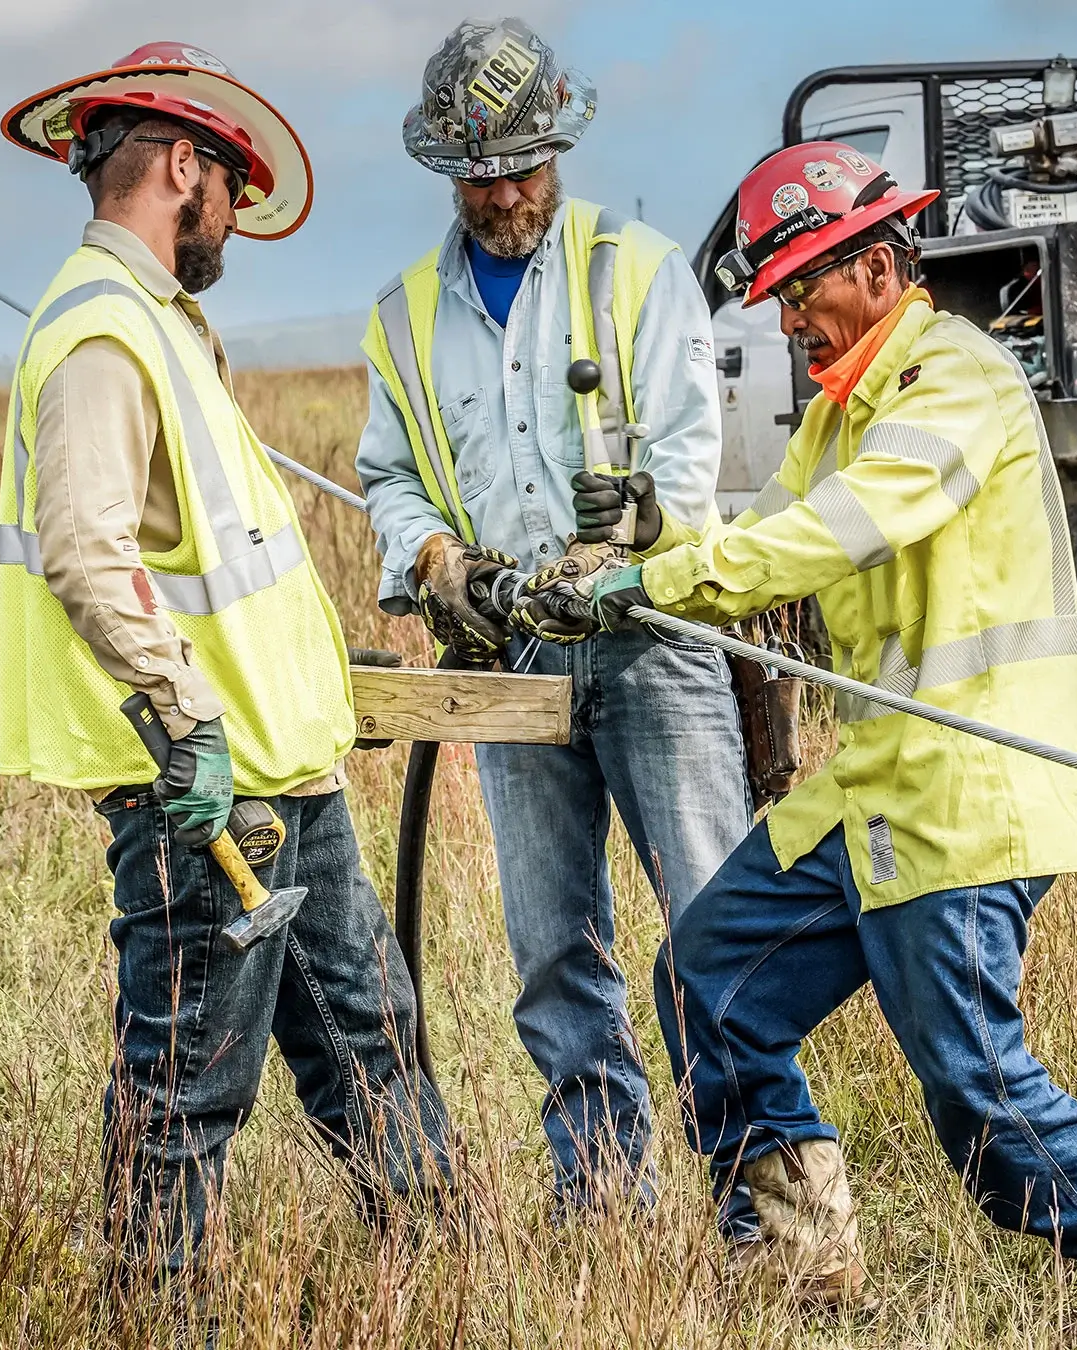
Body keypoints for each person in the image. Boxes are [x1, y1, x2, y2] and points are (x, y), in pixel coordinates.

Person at [521, 143, 1077, 1322]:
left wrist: (649, 584)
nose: (789, 321)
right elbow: (758, 546)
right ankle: (800, 1257)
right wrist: (651, 545)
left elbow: (840, 532)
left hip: (967, 799)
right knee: (706, 983)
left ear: (878, 271)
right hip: (875, 796)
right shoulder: (839, 421)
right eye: (779, 299)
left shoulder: (959, 383)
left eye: (804, 291)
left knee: (976, 1094)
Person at [0, 43, 453, 1287]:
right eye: (231, 189)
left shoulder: (160, 327)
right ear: (180, 165)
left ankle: (452, 1279)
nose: (236, 219)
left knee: (376, 1046)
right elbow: (90, 555)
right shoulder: (100, 334)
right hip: (204, 799)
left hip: (282, 780)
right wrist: (190, 725)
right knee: (187, 1088)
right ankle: (154, 1313)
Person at [354, 17, 751, 1214]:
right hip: (513, 660)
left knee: (715, 927)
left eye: (520, 165)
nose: (501, 191)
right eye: (478, 173)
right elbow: (389, 475)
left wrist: (626, 534)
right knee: (552, 951)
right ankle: (603, 1200)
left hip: (650, 646)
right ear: (446, 169)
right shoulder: (403, 315)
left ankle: (760, 1192)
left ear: (561, 148)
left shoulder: (637, 267)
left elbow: (685, 460)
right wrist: (435, 560)